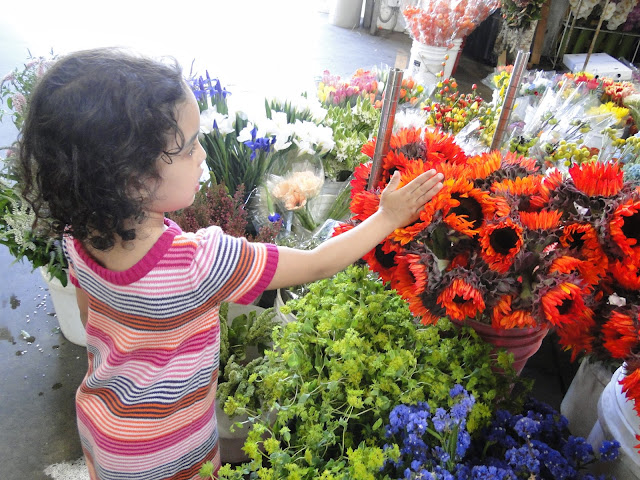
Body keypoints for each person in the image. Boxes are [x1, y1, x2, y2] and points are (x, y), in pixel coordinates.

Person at [18, 48, 444, 480]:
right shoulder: (200, 262)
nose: (203, 154)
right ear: (134, 180)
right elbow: (316, 263)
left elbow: (93, 321)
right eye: (189, 148)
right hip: (173, 451)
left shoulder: (79, 233)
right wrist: (387, 217)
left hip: (105, 428)